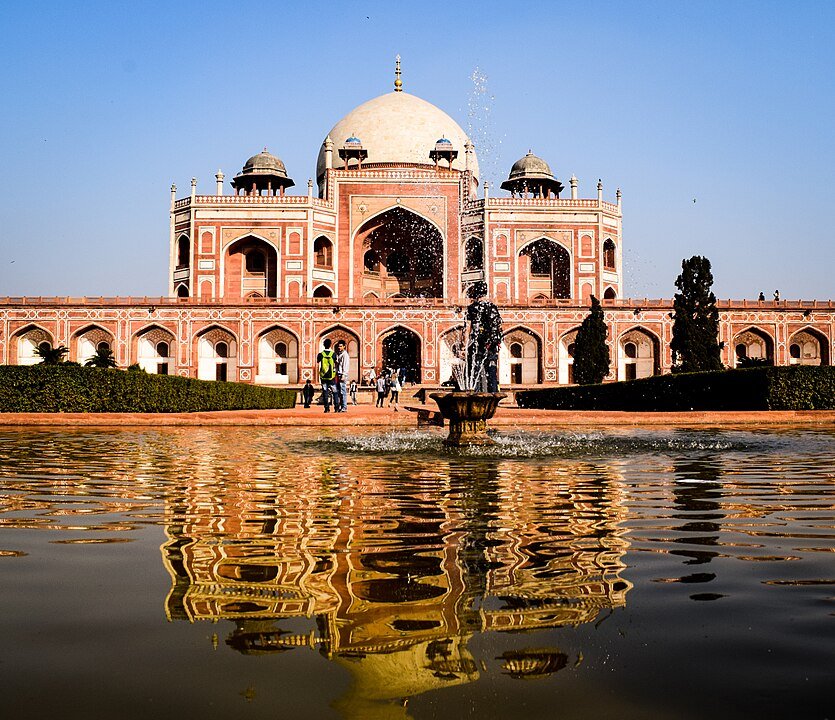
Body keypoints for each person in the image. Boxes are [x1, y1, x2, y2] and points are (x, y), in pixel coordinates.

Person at [465, 280, 503, 393]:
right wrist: (497, 342)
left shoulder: (471, 308)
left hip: (477, 344)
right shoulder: (493, 307)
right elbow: (499, 326)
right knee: (491, 372)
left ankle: (475, 398)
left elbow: (467, 328)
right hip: (491, 345)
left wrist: (464, 346)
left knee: (474, 372)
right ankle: (494, 399)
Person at [316, 339, 336, 413]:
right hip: (331, 376)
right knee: (335, 392)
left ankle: (326, 408)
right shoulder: (333, 354)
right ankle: (336, 407)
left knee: (325, 392)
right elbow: (336, 362)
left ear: (324, 345)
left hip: (323, 376)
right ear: (330, 345)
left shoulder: (321, 354)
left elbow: (317, 361)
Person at [332, 340, 350, 412]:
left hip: (342, 375)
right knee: (339, 392)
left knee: (343, 391)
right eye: (338, 346)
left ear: (344, 346)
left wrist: (344, 375)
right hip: (338, 374)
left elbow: (345, 365)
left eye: (341, 346)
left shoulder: (345, 355)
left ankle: (344, 407)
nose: (339, 347)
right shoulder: (339, 354)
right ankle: (341, 406)